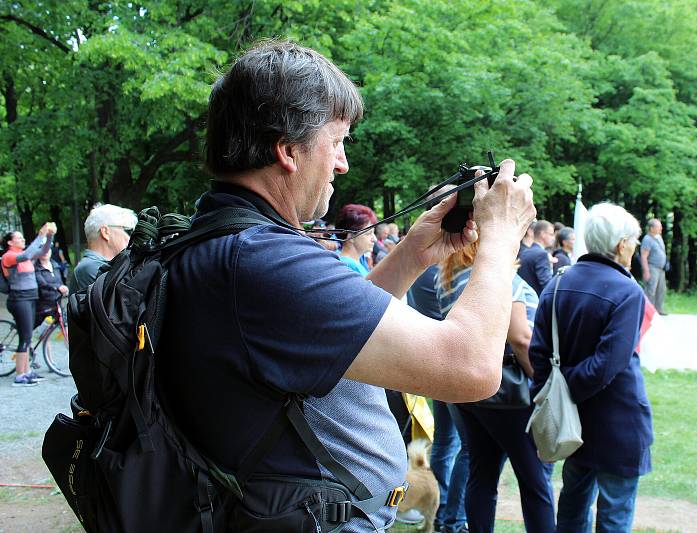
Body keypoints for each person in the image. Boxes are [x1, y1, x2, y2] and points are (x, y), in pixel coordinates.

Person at [156, 39, 537, 532]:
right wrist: (502, 241)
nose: (342, 164)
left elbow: (333, 336)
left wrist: (412, 254)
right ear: (288, 150)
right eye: (336, 142)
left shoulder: (226, 240)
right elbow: (470, 368)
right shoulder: (264, 262)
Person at [531, 203, 653, 533]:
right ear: (620, 245)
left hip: (571, 423)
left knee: (572, 507)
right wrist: (565, 392)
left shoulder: (557, 283)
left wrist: (556, 396)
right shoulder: (627, 290)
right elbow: (606, 365)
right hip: (618, 421)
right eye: (634, 240)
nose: (636, 246)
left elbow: (538, 355)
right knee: (613, 516)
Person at [436, 239, 554, 533]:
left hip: (466, 389)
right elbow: (521, 338)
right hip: (507, 391)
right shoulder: (498, 277)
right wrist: (542, 383)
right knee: (534, 480)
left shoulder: (448, 279)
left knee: (482, 473)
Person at [408, 265, 468, 533]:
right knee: (462, 446)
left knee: (445, 442)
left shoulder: (423, 270)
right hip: (453, 363)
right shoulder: (452, 272)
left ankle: (440, 508)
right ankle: (450, 513)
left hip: (433, 363)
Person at [1, 223, 55, 386]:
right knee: (24, 337)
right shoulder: (9, 256)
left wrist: (49, 236)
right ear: (10, 242)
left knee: (28, 336)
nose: (23, 239)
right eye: (19, 237)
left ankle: (27, 371)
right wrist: (40, 235)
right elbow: (25, 256)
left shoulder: (27, 254)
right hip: (19, 300)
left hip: (30, 299)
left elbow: (44, 251)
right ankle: (19, 376)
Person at [68, 203, 137, 293]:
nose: (129, 238)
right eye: (127, 230)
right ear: (105, 232)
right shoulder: (90, 268)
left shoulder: (104, 266)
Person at [335, 204, 378, 275]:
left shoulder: (358, 261)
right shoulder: (349, 266)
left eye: (373, 233)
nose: (375, 239)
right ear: (350, 237)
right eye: (369, 233)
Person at [519, 219, 555, 295]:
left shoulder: (524, 252)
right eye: (551, 234)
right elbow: (547, 284)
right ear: (543, 234)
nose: (554, 238)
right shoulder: (542, 254)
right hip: (537, 301)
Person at [640, 218, 668, 314]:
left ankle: (658, 310)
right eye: (658, 226)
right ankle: (647, 312)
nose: (661, 228)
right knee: (650, 290)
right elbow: (643, 256)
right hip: (652, 268)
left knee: (661, 289)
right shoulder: (647, 239)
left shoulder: (658, 237)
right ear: (651, 228)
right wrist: (646, 271)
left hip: (661, 269)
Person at [34, 248, 69, 326]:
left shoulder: (55, 265)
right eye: (43, 250)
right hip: (42, 304)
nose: (45, 252)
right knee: (39, 329)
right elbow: (42, 284)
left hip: (57, 302)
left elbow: (60, 281)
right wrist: (58, 287)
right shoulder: (36, 267)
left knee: (60, 326)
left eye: (47, 249)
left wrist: (64, 288)